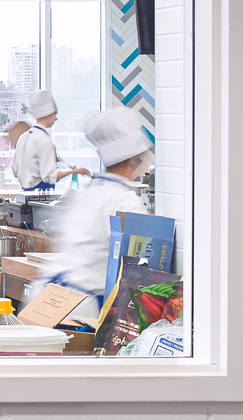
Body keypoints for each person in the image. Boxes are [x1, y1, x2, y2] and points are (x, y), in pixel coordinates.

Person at [27, 106, 154, 318]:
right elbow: (141, 260)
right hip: (77, 310)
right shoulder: (125, 200)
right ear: (135, 159)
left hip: (47, 297)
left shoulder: (91, 192)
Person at [9, 89, 88, 191]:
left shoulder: (23, 137)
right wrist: (75, 171)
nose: (56, 119)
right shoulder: (44, 140)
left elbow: (15, 171)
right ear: (48, 115)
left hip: (24, 196)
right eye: (55, 114)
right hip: (40, 198)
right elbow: (50, 177)